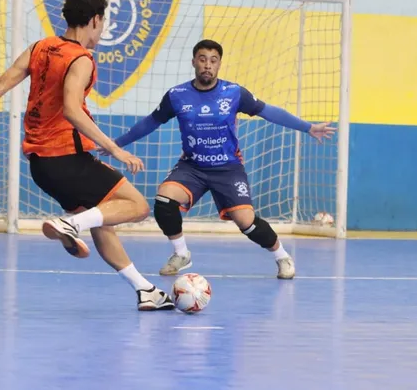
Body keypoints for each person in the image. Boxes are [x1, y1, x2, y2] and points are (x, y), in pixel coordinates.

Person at [0, 0, 174, 310]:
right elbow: (72, 109)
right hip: (66, 159)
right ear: (94, 20)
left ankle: (144, 290)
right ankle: (70, 225)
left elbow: (2, 83)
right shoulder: (81, 59)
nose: (101, 29)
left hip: (41, 167)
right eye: (102, 23)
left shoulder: (40, 48)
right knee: (137, 205)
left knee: (101, 221)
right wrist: (114, 149)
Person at [110, 39, 336, 279]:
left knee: (246, 223)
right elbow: (150, 122)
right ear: (194, 62)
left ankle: (282, 256)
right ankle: (181, 253)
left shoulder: (234, 93)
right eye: (203, 59)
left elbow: (269, 111)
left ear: (219, 64)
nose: (208, 65)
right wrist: (116, 145)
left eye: (213, 60)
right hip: (192, 167)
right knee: (164, 200)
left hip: (228, 168)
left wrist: (307, 127)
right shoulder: (177, 95)